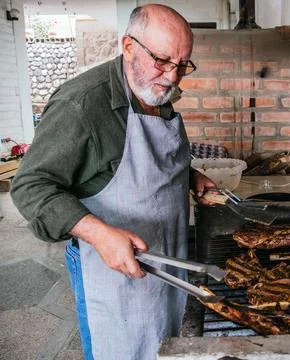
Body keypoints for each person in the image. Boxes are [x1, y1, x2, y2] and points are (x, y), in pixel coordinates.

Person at [11, 4, 216, 359]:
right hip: (110, 266)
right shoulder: (81, 105)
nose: (172, 76)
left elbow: (155, 160)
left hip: (166, 253)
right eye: (163, 60)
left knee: (161, 343)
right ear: (129, 47)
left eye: (183, 64)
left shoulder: (156, 91)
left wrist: (189, 176)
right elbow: (31, 186)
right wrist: (100, 234)